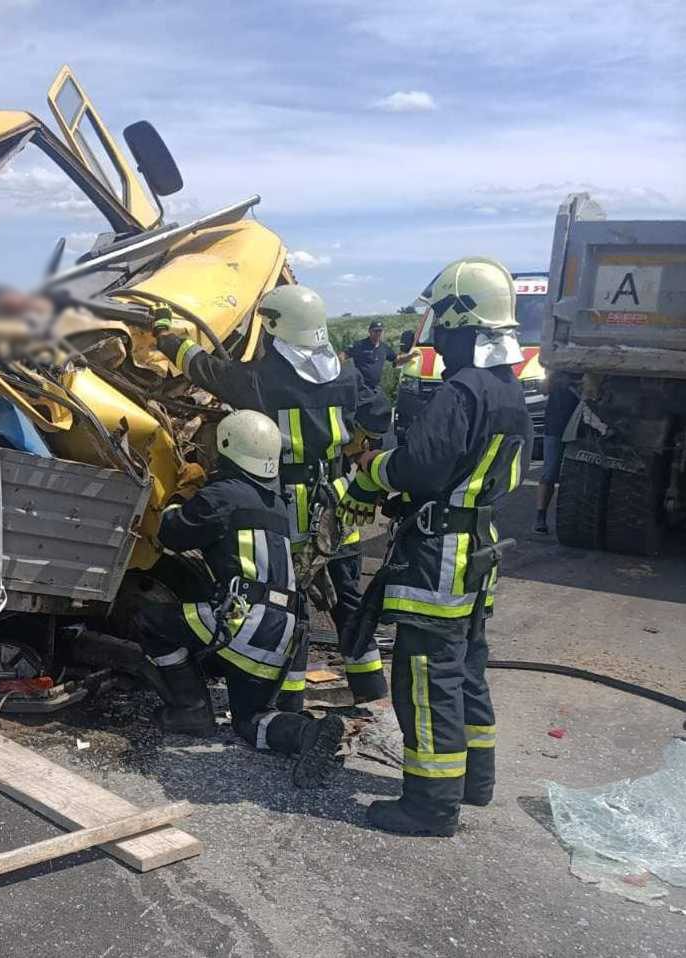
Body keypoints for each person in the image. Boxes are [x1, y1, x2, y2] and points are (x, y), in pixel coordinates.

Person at [342, 256, 532, 836]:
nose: (437, 339)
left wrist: (371, 473)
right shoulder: (507, 390)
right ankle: (475, 783)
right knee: (466, 667)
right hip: (479, 548)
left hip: (441, 553)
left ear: (462, 321)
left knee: (426, 676)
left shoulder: (462, 391)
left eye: (441, 326)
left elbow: (419, 466)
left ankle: (429, 805)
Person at [150, 286, 389, 708]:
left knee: (290, 599)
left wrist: (168, 336)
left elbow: (206, 369)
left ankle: (289, 700)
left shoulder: (265, 378)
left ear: (275, 326)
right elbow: (378, 413)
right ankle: (370, 684)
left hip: (289, 504)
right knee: (348, 596)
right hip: (339, 499)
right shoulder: (347, 373)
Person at [132, 409, 345, 784]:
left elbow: (172, 533)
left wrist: (182, 496)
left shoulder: (223, 495)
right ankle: (306, 734)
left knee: (150, 622)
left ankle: (191, 708)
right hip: (281, 628)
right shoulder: (274, 504)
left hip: (243, 622)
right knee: (251, 722)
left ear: (227, 449)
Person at [534, 371, 579, 534]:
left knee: (573, 477)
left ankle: (566, 518)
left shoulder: (584, 372)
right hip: (556, 427)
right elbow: (544, 389)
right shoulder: (557, 369)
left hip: (578, 429)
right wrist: (553, 375)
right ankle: (541, 517)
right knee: (549, 474)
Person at [347, 319, 409, 390]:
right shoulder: (359, 345)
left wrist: (410, 356)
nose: (378, 333)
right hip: (360, 387)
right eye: (376, 331)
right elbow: (344, 355)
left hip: (375, 387)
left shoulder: (384, 348)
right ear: (370, 331)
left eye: (380, 331)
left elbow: (397, 360)